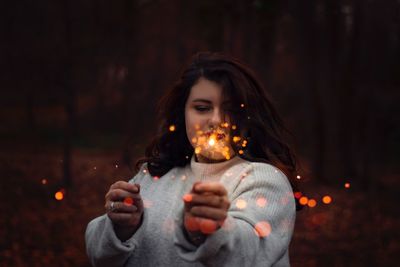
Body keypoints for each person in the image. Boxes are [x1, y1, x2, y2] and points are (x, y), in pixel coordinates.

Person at [85, 52, 300, 267]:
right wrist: (121, 229)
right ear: (183, 113)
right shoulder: (154, 174)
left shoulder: (263, 179)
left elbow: (247, 254)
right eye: (202, 108)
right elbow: (99, 256)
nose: (216, 121)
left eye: (231, 110)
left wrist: (208, 232)